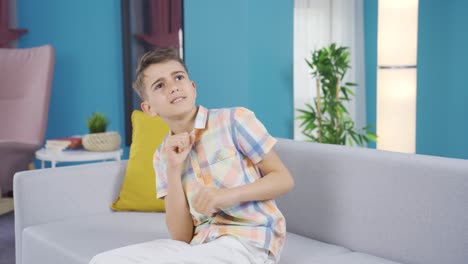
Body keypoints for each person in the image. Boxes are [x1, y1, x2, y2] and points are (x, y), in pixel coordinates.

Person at [90, 48, 294, 264]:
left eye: (178, 77)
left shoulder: (234, 120)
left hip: (248, 240)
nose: (174, 87)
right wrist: (173, 167)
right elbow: (181, 237)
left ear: (193, 87)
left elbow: (283, 179)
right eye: (160, 85)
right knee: (102, 261)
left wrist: (227, 195)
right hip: (199, 246)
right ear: (149, 108)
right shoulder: (162, 155)